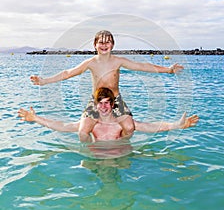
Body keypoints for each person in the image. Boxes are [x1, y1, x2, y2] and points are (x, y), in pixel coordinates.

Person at [30, 30, 184, 142]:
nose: (104, 45)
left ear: (113, 45)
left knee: (130, 128)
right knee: (83, 131)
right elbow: (67, 73)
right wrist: (44, 81)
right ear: (95, 45)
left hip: (115, 100)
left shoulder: (118, 61)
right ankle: (92, 152)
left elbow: (142, 66)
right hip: (97, 101)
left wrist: (168, 70)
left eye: (107, 42)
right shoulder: (90, 62)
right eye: (101, 42)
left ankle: (121, 147)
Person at [18, 87, 198, 142]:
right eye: (100, 103)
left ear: (112, 105)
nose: (103, 107)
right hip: (95, 160)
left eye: (107, 103)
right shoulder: (91, 124)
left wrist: (177, 125)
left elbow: (152, 127)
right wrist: (35, 118)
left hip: (122, 159)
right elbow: (63, 126)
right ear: (95, 105)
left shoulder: (121, 123)